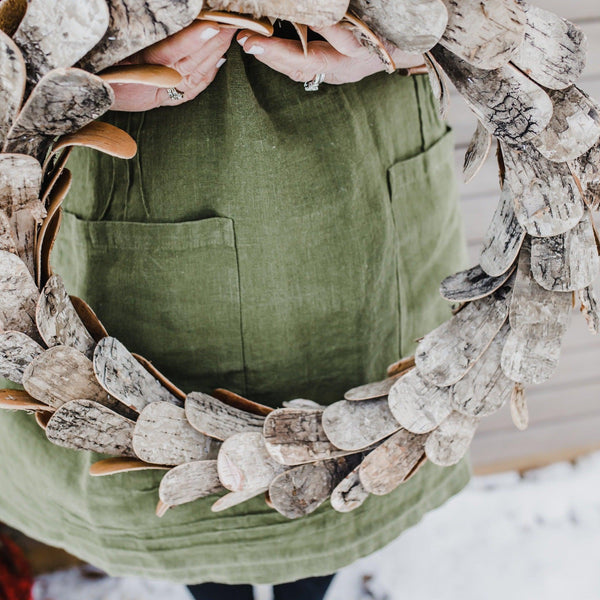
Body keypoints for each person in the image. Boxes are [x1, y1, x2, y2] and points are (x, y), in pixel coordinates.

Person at [0, 16, 472, 599]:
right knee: (196, 518)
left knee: (334, 483)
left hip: (353, 125)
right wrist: (75, 69)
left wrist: (396, 39)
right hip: (136, 137)